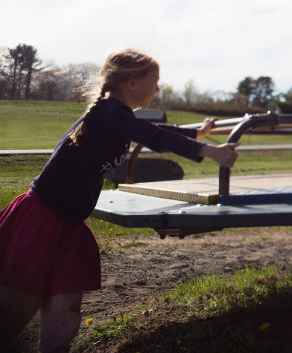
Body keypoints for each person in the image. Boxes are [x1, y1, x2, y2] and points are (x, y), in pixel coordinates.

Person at [0, 48, 239, 352]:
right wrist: (210, 150)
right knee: (11, 320)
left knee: (67, 310)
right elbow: (153, 135)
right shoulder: (109, 112)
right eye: (155, 81)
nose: (158, 88)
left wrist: (197, 131)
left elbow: (154, 130)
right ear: (131, 83)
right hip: (42, 219)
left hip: (68, 223)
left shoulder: (114, 114)